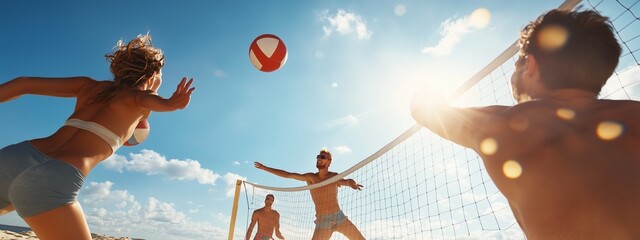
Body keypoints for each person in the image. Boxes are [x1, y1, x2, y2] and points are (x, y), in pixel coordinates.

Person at [411, 9, 640, 239]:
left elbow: (425, 111)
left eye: (517, 66)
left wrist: (422, 89)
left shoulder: (503, 125)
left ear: (530, 65)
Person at [0, 34, 195, 240]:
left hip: (17, 157)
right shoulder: (140, 98)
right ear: (154, 73)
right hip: (52, 177)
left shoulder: (88, 86)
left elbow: (24, 83)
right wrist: (171, 103)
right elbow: (155, 104)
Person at [254, 149, 365, 240]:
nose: (319, 159)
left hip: (339, 217)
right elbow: (288, 174)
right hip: (323, 221)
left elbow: (346, 181)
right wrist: (264, 168)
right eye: (318, 156)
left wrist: (353, 184)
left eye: (322, 157)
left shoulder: (333, 176)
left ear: (329, 162)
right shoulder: (311, 178)